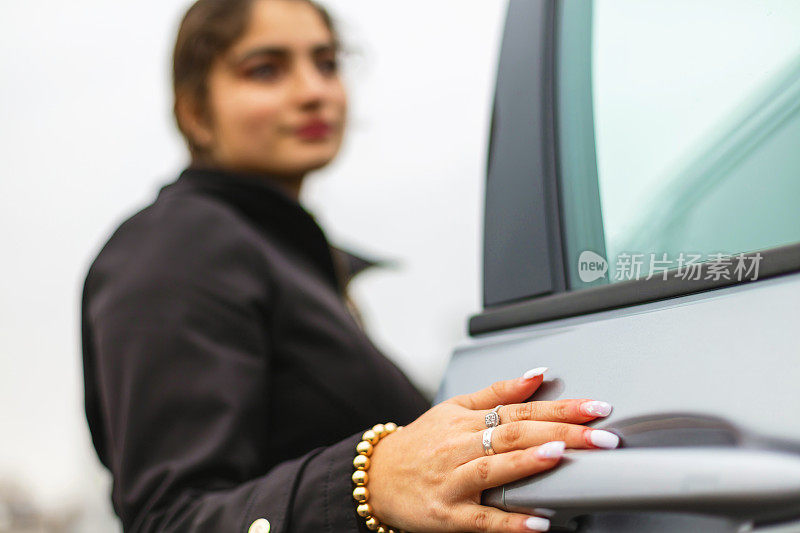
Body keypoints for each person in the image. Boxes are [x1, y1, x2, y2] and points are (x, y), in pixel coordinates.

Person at [80, 1, 620, 531]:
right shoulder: (175, 247)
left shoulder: (285, 258)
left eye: (327, 63)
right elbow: (168, 518)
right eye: (265, 70)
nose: (314, 92)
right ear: (196, 112)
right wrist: (372, 480)